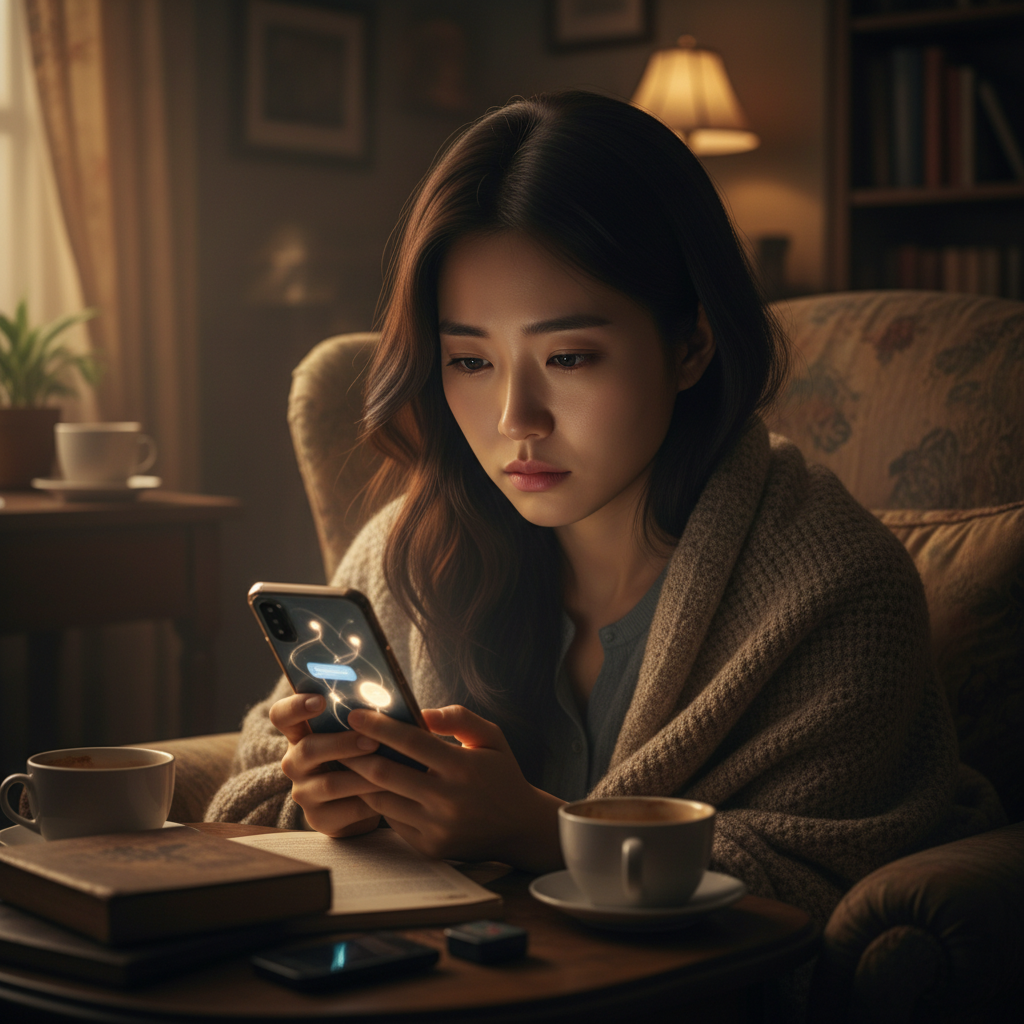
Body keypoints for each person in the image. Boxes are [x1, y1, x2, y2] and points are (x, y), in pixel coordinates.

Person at [208, 91, 1002, 924]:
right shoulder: (408, 550)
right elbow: (252, 787)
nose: (517, 419)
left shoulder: (835, 590)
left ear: (690, 344)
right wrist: (333, 804)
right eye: (470, 362)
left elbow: (820, 880)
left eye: (569, 355)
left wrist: (542, 833)